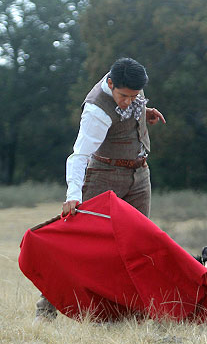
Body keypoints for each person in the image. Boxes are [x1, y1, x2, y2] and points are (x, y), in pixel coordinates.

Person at [35, 57, 166, 322]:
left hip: (140, 175)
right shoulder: (96, 110)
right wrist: (73, 195)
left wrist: (145, 112)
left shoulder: (131, 86)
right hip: (104, 177)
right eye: (123, 95)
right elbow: (78, 156)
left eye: (134, 96)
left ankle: (129, 313)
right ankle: (45, 308)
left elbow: (131, 108)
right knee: (80, 247)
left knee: (137, 246)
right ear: (109, 83)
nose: (128, 100)